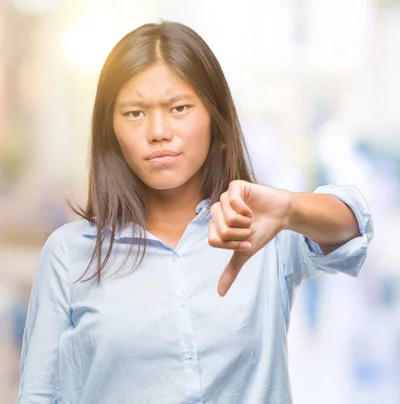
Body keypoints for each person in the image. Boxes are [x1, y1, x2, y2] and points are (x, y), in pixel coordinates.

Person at [17, 21, 373, 403]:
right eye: (135, 113)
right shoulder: (70, 254)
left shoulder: (261, 230)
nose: (158, 131)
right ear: (111, 130)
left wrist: (288, 208)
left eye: (179, 108)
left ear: (215, 118)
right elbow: (38, 395)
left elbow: (354, 228)